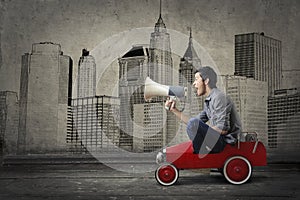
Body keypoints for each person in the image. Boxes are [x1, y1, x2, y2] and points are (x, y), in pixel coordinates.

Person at [165, 66, 242, 154]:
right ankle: (200, 152)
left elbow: (223, 130)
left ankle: (200, 155)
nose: (194, 83)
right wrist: (174, 110)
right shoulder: (210, 100)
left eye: (196, 79)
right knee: (193, 123)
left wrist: (201, 133)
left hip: (225, 142)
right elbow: (193, 123)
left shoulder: (219, 97)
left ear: (206, 81)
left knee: (193, 124)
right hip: (219, 140)